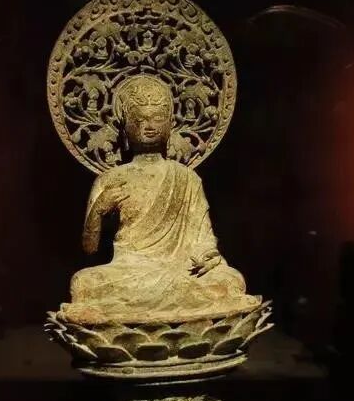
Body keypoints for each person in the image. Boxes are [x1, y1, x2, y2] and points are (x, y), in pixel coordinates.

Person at [61, 74, 262, 324]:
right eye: (140, 119)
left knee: (231, 280)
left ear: (170, 124)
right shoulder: (110, 179)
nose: (149, 126)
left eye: (157, 118)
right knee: (83, 284)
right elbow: (90, 248)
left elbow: (203, 237)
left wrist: (208, 254)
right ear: (124, 125)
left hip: (180, 270)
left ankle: (135, 315)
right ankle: (188, 314)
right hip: (130, 271)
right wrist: (99, 210)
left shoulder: (187, 178)